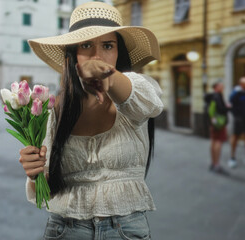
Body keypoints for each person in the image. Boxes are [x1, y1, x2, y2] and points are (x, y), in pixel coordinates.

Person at [18, 2, 163, 239]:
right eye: (86, 45)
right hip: (65, 229)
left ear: (119, 52)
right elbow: (45, 192)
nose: (97, 56)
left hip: (125, 230)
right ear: (73, 54)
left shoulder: (134, 92)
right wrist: (34, 174)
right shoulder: (55, 108)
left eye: (108, 46)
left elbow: (152, 105)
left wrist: (110, 78)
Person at [205, 80, 229, 174]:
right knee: (218, 141)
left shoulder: (211, 96)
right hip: (219, 123)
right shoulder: (217, 96)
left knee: (214, 141)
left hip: (213, 122)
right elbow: (221, 109)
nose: (223, 86)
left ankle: (213, 163)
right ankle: (217, 165)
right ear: (216, 87)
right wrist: (228, 107)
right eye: (221, 85)